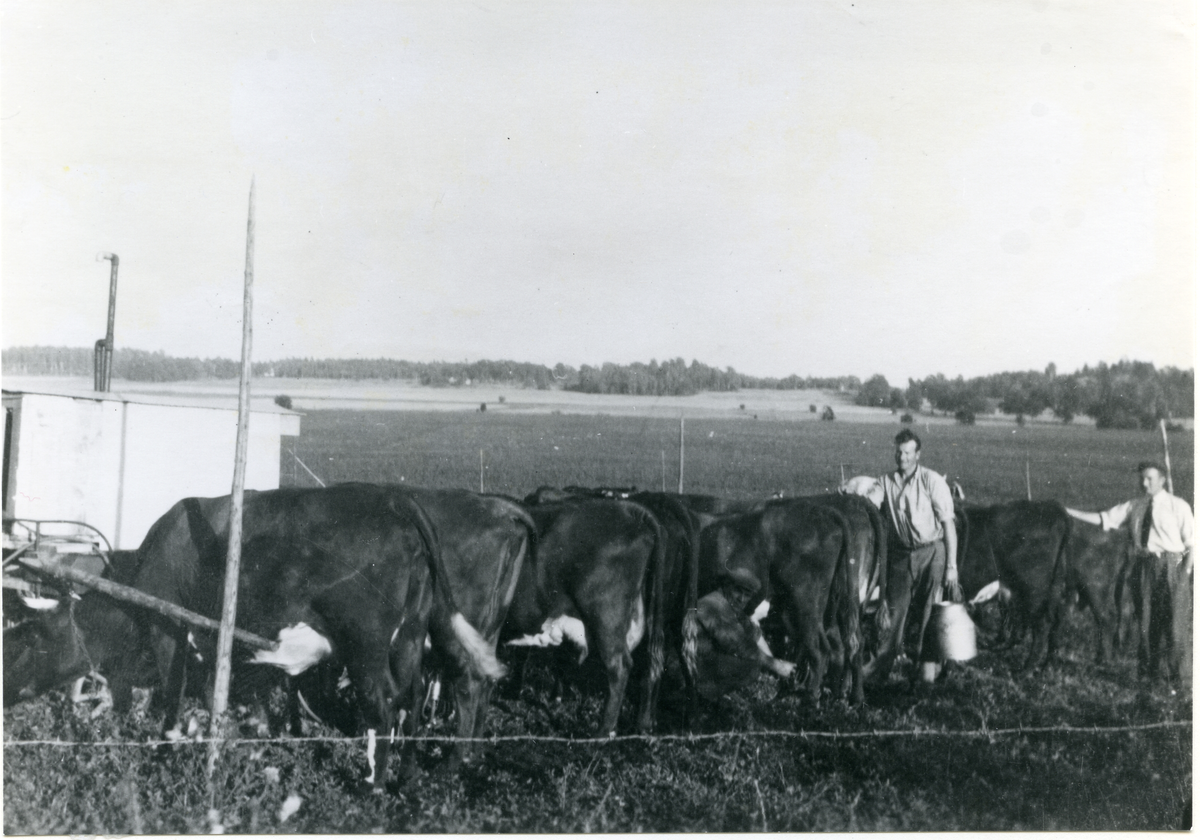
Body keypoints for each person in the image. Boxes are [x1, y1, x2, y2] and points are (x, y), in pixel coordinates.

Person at [1066, 461, 1193, 689]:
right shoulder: (1135, 506)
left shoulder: (1178, 506)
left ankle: (1181, 682)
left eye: (1149, 479)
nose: (1144, 483)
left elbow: (1193, 544)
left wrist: (1185, 574)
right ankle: (1149, 677)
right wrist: (1068, 512)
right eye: (1142, 478)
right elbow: (1105, 518)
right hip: (1143, 567)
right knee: (1146, 622)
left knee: (1174, 626)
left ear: (1162, 480)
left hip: (1172, 567)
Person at [864, 428, 959, 686]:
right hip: (901, 555)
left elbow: (948, 525)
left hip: (932, 552)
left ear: (918, 454)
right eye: (899, 452)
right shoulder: (886, 481)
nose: (902, 457)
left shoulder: (931, 480)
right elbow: (870, 502)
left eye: (907, 452)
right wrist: (854, 498)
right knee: (894, 611)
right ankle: (880, 670)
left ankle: (927, 670)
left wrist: (951, 566)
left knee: (930, 609)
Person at [691, 567, 795, 700]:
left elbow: (753, 632)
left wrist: (774, 662)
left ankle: (704, 694)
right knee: (750, 668)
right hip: (685, 665)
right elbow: (740, 646)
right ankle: (699, 697)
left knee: (749, 662)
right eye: (738, 591)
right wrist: (776, 666)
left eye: (747, 595)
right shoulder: (714, 604)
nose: (742, 598)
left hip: (698, 661)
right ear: (726, 586)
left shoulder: (729, 605)